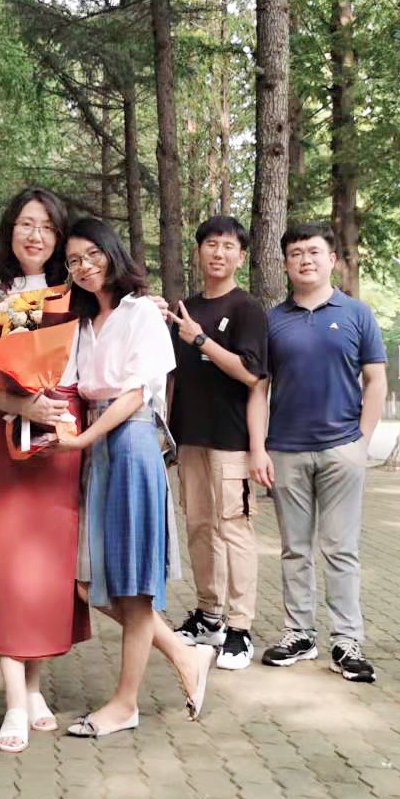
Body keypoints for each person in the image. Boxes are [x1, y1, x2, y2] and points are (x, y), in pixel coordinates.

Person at [53, 217, 215, 738]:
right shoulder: (82, 323)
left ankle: (125, 704)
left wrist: (83, 438)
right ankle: (186, 654)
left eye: (92, 254)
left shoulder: (141, 311)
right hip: (96, 445)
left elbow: (136, 393)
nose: (84, 267)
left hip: (130, 440)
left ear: (112, 252)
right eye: (73, 260)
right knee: (89, 585)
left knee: (133, 585)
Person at [0, 189, 90, 752]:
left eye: (47, 227)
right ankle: (14, 700)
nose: (35, 235)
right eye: (26, 224)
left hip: (59, 432)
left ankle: (33, 688)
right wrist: (20, 406)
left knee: (44, 570)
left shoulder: (77, 293)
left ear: (60, 237)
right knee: (4, 563)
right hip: (3, 435)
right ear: (10, 230)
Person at [249, 223, 386, 683]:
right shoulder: (272, 320)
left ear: (332, 260)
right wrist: (258, 448)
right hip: (285, 450)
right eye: (296, 254)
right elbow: (258, 388)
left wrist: (362, 442)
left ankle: (347, 640)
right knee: (295, 549)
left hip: (342, 449)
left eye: (314, 252)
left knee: (341, 549)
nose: (305, 260)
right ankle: (299, 633)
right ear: (285, 264)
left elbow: (376, 380)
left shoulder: (357, 314)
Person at [165, 216, 269, 670]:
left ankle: (241, 628)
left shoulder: (247, 309)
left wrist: (202, 340)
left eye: (228, 246)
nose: (218, 253)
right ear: (199, 251)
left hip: (231, 440)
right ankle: (209, 616)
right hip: (190, 437)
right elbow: (172, 377)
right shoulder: (185, 308)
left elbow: (252, 374)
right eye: (210, 244)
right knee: (199, 526)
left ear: (240, 257)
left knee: (234, 529)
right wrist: (167, 435)